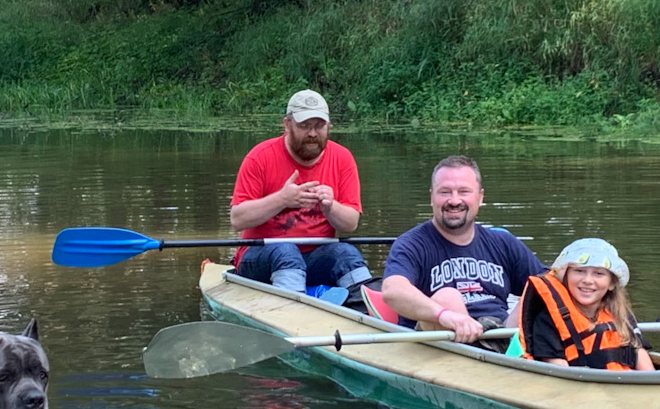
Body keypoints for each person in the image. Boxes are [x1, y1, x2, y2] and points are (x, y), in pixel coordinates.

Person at [381, 155, 544, 344]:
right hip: (442, 341)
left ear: (480, 197)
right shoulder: (411, 244)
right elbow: (392, 291)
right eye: (445, 192)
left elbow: (550, 282)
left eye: (464, 191)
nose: (454, 200)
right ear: (431, 197)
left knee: (541, 287)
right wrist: (445, 315)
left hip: (500, 336)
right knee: (447, 296)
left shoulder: (503, 242)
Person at [229, 90, 372, 295]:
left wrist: (331, 207)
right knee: (285, 250)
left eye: (319, 126)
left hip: (315, 256)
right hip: (261, 256)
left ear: (329, 125)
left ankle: (366, 309)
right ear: (287, 125)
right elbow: (237, 219)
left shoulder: (342, 158)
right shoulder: (259, 157)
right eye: (305, 126)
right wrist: (282, 199)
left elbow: (350, 224)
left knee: (346, 252)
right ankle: (293, 311)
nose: (313, 133)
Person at [518, 238, 655, 371]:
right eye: (579, 271)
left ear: (611, 283)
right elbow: (558, 371)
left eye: (598, 273)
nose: (588, 280)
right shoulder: (547, 320)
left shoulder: (620, 315)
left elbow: (643, 362)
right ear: (565, 277)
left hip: (626, 385)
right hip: (579, 387)